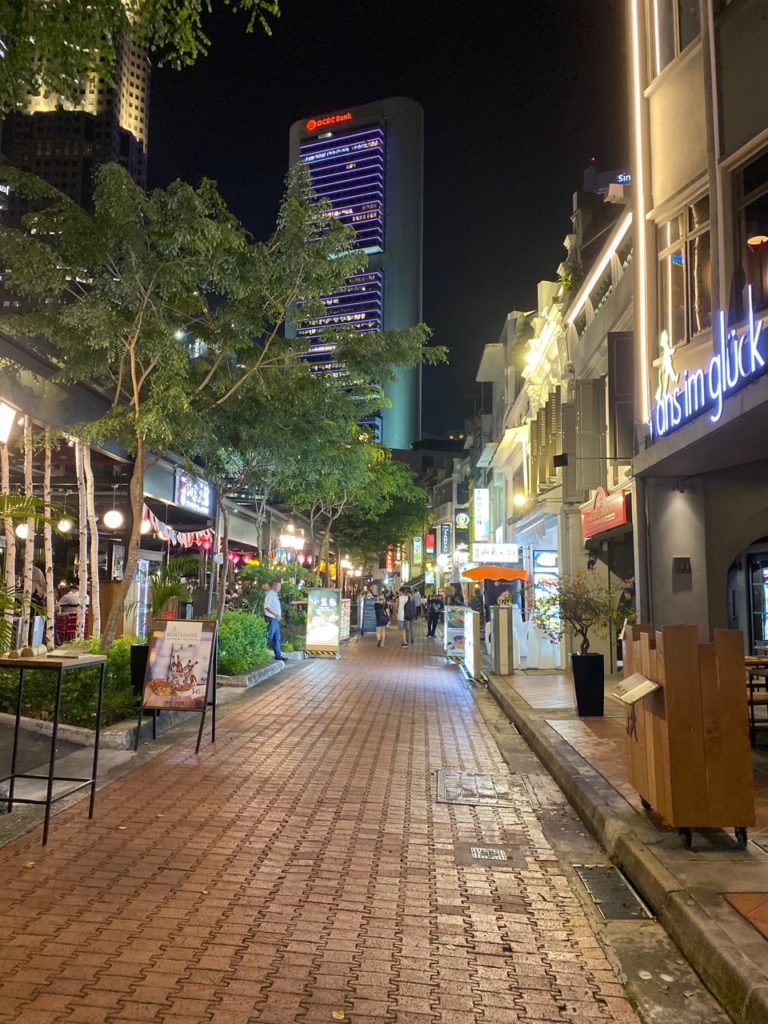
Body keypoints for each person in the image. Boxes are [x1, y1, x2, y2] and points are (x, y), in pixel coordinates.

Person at [264, 580, 285, 661]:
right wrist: (275, 614)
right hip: (271, 618)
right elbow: (266, 606)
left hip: (275, 619)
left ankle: (278, 655)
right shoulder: (270, 595)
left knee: (277, 637)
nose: (280, 588)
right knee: (269, 637)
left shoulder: (275, 595)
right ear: (274, 586)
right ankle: (261, 652)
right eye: (279, 586)